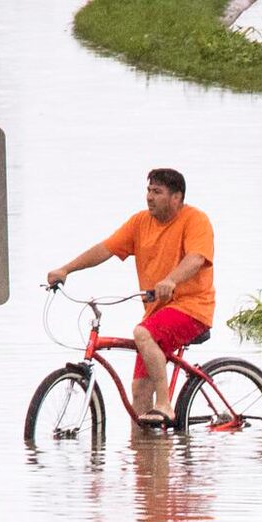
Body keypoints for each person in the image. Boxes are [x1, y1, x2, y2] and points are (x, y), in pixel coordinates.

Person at [47, 168, 215, 426]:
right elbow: (105, 249)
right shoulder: (140, 223)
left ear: (176, 198)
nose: (149, 197)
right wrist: (66, 269)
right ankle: (146, 459)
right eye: (148, 190)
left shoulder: (195, 220)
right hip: (157, 314)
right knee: (138, 394)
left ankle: (165, 404)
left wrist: (171, 280)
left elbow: (197, 258)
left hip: (193, 309)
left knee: (142, 333)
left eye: (157, 192)